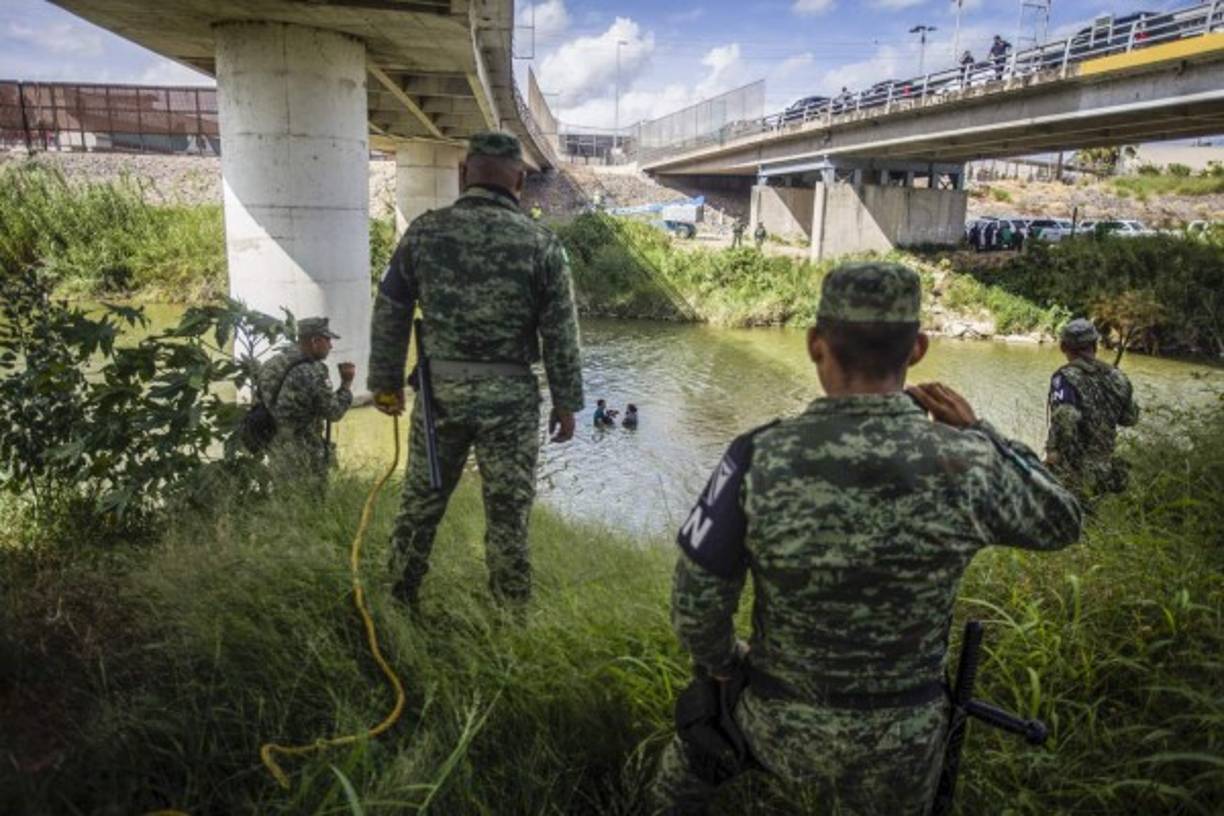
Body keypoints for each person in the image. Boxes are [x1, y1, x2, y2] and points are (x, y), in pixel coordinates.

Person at [650, 261, 1082, 815]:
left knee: (677, 782)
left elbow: (695, 607)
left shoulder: (757, 456)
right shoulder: (968, 462)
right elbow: (1062, 519)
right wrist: (982, 432)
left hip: (779, 728)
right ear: (918, 349)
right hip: (906, 746)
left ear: (815, 344)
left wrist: (728, 665)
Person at [367, 130, 584, 611]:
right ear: (520, 181)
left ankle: (396, 604)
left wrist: (385, 384)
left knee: (420, 506)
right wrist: (566, 402)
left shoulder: (424, 232)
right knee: (508, 517)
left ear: (463, 173)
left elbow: (391, 309)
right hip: (510, 401)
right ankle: (509, 619)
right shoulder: (541, 243)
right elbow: (560, 332)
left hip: (439, 395)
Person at [1045, 318, 1140, 498]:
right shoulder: (1117, 377)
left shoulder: (1064, 378)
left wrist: (1052, 455)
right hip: (1106, 469)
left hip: (1074, 473)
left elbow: (1065, 422)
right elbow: (1130, 419)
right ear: (1095, 346)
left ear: (1063, 347)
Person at [255, 316, 354, 478]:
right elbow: (333, 412)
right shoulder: (314, 371)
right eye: (327, 340)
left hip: (275, 446)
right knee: (310, 493)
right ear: (315, 341)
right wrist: (346, 384)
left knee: (283, 492)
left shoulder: (271, 364)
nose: (330, 346)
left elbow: (259, 401)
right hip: (304, 452)